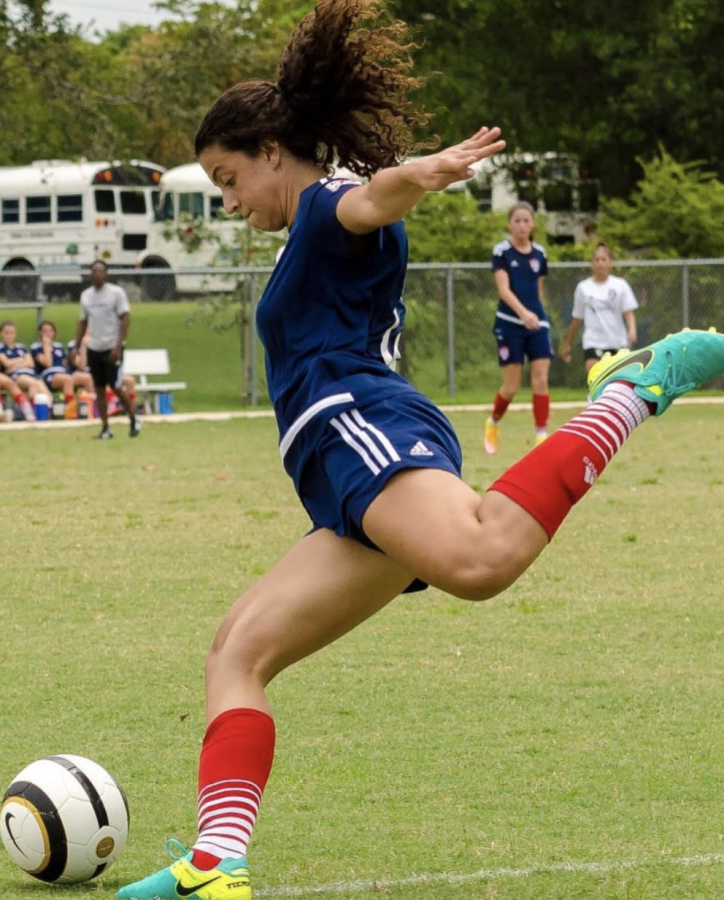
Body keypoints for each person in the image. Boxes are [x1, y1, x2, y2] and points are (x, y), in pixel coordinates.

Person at [117, 2, 724, 898]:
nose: (230, 202)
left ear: (271, 152)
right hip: (338, 475)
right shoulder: (303, 236)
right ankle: (216, 864)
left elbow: (370, 198)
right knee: (236, 652)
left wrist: (430, 172)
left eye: (228, 178)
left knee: (479, 559)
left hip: (362, 427)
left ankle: (630, 391)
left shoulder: (325, 207)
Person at [483, 201, 554, 454]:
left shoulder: (540, 254)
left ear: (533, 223)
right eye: (517, 220)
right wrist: (523, 314)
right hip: (510, 324)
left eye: (526, 220)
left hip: (537, 324)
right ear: (510, 223)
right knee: (511, 387)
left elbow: (538, 290)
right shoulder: (502, 251)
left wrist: (537, 316)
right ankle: (493, 422)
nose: (522, 225)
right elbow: (503, 290)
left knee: (541, 379)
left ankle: (541, 436)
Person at [74, 260, 141, 439]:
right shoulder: (86, 296)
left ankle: (134, 418)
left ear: (106, 274)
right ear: (90, 274)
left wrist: (118, 346)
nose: (97, 274)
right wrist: (76, 345)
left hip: (112, 347)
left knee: (116, 386)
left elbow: (125, 319)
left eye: (101, 271)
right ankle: (105, 427)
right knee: (99, 389)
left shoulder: (116, 293)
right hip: (95, 347)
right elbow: (83, 321)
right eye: (94, 271)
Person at [560, 242, 639, 379]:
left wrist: (632, 329)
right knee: (596, 381)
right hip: (593, 342)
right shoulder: (583, 288)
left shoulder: (620, 285)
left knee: (618, 384)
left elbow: (628, 312)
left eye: (604, 259)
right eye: (597, 260)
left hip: (617, 342)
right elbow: (577, 318)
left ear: (610, 263)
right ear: (592, 263)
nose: (600, 263)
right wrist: (568, 343)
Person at [0, 320, 46, 419]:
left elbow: (31, 363)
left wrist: (15, 363)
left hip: (30, 374)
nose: (9, 336)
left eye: (11, 333)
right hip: (16, 376)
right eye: (6, 333)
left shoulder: (22, 347)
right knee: (32, 383)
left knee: (39, 384)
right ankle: (29, 412)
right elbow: (6, 364)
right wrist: (21, 360)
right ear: (1, 334)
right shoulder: (1, 348)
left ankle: (47, 409)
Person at [30, 320, 75, 413]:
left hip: (63, 373)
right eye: (45, 331)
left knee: (83, 377)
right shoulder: (36, 347)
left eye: (50, 331)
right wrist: (47, 347)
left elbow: (65, 362)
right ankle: (69, 410)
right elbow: (48, 363)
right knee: (68, 379)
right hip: (49, 375)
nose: (48, 334)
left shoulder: (59, 346)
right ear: (40, 333)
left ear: (54, 333)